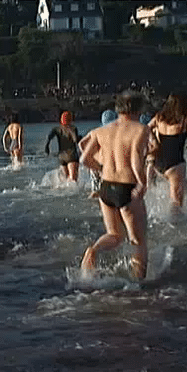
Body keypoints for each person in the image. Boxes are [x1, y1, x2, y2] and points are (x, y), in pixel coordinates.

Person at [79, 92, 150, 280]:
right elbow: (135, 156)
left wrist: (102, 169)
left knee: (114, 235)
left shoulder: (101, 131)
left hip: (106, 187)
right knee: (138, 240)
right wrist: (142, 182)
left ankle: (94, 250)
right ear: (138, 109)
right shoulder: (140, 129)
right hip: (127, 187)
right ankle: (139, 285)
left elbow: (84, 158)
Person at [147, 92, 187, 214]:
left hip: (159, 165)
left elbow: (145, 129)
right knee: (176, 204)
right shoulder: (185, 119)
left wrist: (154, 140)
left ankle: (184, 215)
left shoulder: (159, 118)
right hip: (175, 165)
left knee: (185, 190)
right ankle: (175, 228)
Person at [79, 109, 118, 198]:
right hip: (106, 165)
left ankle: (89, 206)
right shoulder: (114, 133)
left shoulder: (95, 131)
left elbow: (81, 144)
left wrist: (89, 156)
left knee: (96, 191)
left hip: (95, 164)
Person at [45, 111, 81, 182]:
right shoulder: (73, 128)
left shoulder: (56, 129)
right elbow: (75, 140)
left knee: (65, 180)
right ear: (70, 119)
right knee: (73, 180)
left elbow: (49, 137)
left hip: (61, 157)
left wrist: (47, 147)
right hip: (71, 156)